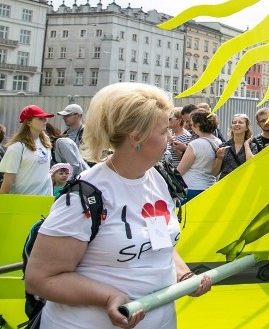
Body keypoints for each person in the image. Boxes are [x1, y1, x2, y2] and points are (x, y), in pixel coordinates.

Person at [24, 83, 211, 328]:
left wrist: (184, 276)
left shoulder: (158, 178)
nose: (171, 138)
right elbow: (40, 279)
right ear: (136, 137)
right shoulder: (86, 195)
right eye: (164, 130)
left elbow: (158, 243)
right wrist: (109, 297)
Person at [0, 105, 54, 196]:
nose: (45, 120)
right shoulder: (17, 147)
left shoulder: (46, 143)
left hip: (45, 201)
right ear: (29, 123)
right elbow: (9, 179)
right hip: (23, 202)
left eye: (45, 118)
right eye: (40, 118)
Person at [176, 109, 222, 200]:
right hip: (209, 186)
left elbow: (180, 171)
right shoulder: (218, 141)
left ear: (198, 124)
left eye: (192, 123)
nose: (190, 126)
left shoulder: (195, 144)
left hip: (192, 187)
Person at [215, 113, 256, 180]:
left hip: (243, 183)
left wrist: (246, 145)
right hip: (225, 185)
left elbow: (251, 165)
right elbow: (215, 173)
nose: (237, 124)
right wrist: (219, 158)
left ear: (246, 127)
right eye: (234, 122)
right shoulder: (224, 146)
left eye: (240, 122)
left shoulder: (252, 146)